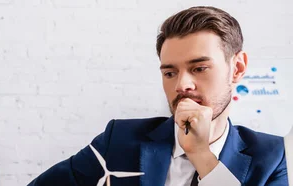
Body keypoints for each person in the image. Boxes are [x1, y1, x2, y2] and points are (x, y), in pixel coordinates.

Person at [28, 6, 287, 186]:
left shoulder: (274, 156)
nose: (182, 85)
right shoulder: (118, 141)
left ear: (238, 68)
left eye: (199, 68)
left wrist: (201, 155)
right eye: (170, 72)